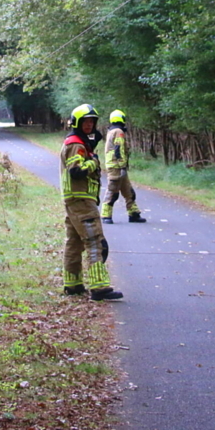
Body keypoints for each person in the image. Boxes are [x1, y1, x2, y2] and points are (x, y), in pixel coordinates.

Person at [60, 103, 123, 301]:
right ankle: (99, 287)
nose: (88, 125)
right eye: (85, 122)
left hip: (75, 200)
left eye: (91, 122)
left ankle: (73, 284)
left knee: (75, 242)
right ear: (77, 122)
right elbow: (76, 171)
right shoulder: (76, 144)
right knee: (95, 241)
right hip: (81, 201)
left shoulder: (76, 142)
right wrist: (94, 161)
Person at [100, 109, 146, 224]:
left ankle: (134, 214)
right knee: (112, 191)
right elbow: (119, 149)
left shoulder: (112, 131)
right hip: (117, 167)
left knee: (128, 192)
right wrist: (122, 165)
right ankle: (106, 215)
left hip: (117, 166)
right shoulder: (118, 131)